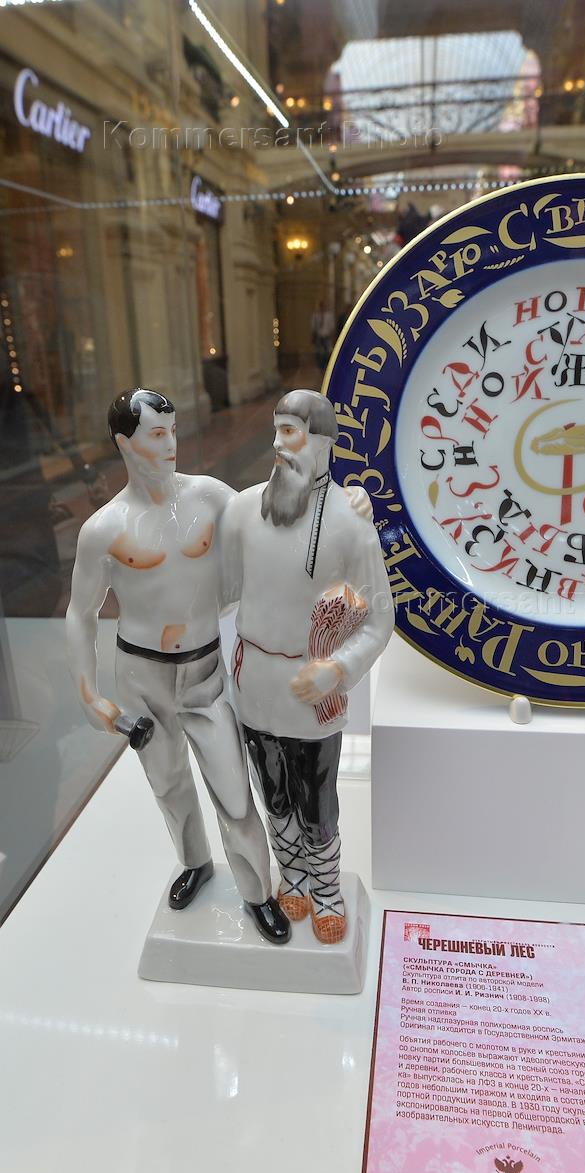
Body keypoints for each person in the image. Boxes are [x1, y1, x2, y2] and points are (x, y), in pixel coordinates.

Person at [65, 388, 290, 944]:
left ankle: (257, 890)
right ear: (124, 443)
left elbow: (269, 518)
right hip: (139, 674)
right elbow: (80, 612)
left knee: (232, 785)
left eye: (172, 432)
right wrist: (89, 694)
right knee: (167, 782)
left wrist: (338, 502)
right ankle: (194, 861)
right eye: (156, 434)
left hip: (203, 668)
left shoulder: (210, 496)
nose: (170, 445)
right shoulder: (104, 528)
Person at [222, 389, 392, 944]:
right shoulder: (244, 509)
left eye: (290, 431)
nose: (278, 443)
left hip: (314, 691)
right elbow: (216, 587)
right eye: (276, 429)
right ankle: (290, 875)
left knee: (317, 803)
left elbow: (379, 618)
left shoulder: (350, 523)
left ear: (322, 442)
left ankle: (326, 889)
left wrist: (338, 669)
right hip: (254, 683)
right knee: (272, 793)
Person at [311, 297, 335, 367]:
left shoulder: (329, 316)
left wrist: (332, 337)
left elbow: (332, 327)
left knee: (327, 351)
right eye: (321, 306)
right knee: (319, 351)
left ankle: (326, 364)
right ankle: (320, 365)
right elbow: (313, 326)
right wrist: (313, 336)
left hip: (327, 335)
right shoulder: (316, 315)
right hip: (319, 335)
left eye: (324, 306)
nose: (323, 307)